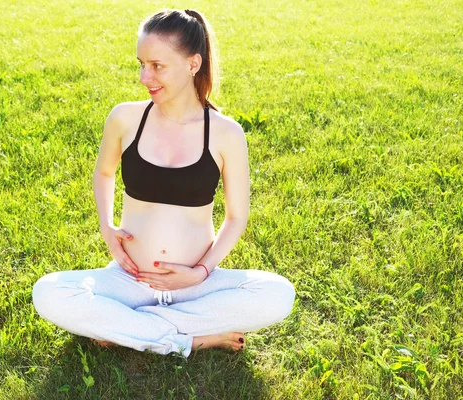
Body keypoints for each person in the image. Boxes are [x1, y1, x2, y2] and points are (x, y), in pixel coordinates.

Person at [32, 9, 295, 357]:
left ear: (192, 64)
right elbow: (104, 172)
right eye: (141, 64)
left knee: (279, 294)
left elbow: (236, 217)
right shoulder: (125, 118)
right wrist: (107, 227)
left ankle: (129, 327)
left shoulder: (226, 132)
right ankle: (190, 337)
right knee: (48, 292)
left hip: (195, 284)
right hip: (130, 280)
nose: (144, 76)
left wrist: (200, 273)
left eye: (157, 66)